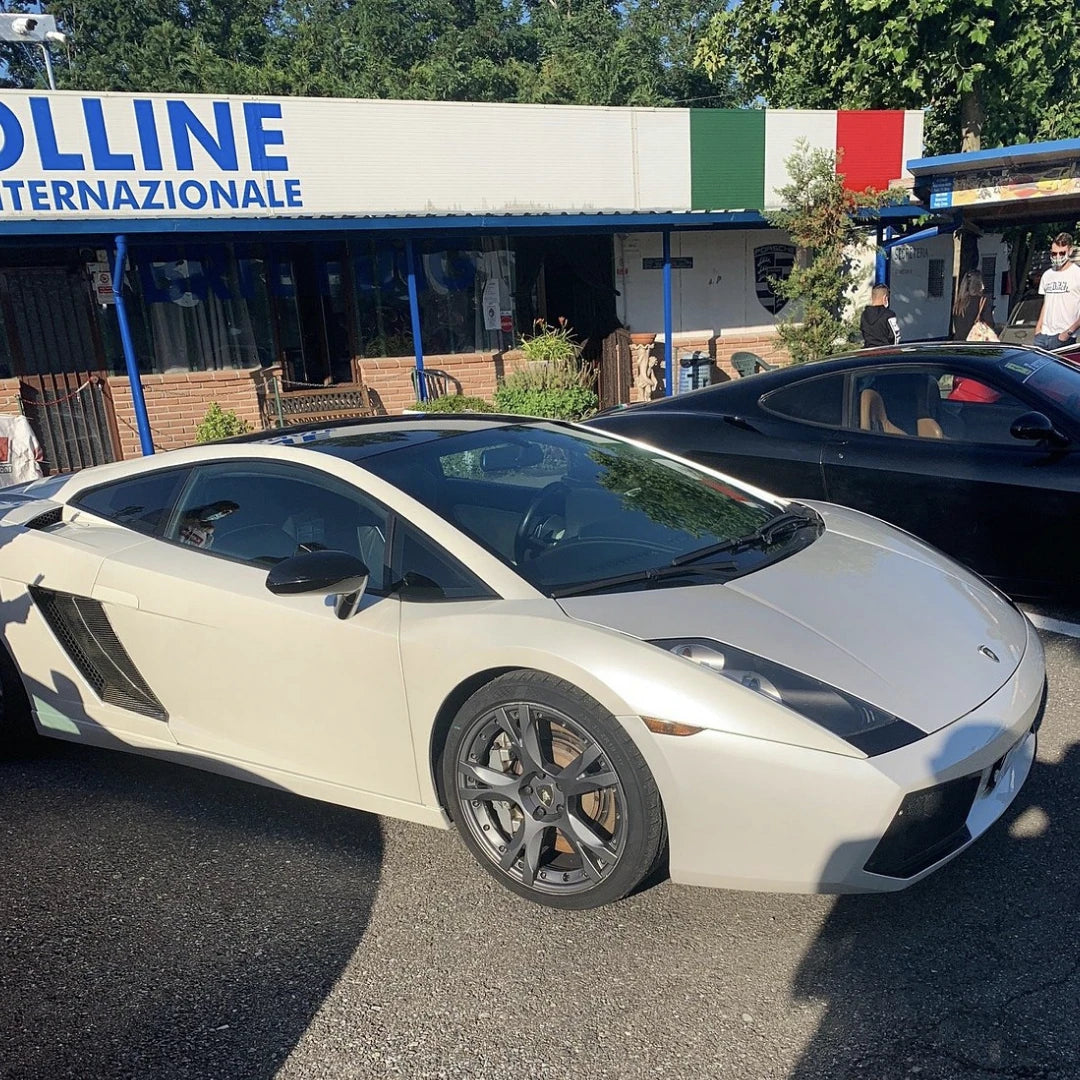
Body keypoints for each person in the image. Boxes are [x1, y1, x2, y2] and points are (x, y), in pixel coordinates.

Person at [1033, 232, 1080, 350]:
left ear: (1069, 251)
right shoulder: (1047, 275)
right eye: (1054, 253)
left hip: (1064, 337)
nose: (1058, 256)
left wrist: (1068, 332)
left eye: (1062, 253)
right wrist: (1038, 329)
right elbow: (1046, 303)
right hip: (1042, 336)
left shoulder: (1077, 274)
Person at [951, 269, 995, 341]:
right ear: (978, 284)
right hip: (974, 345)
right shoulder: (983, 301)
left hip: (958, 344)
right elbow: (990, 325)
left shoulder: (959, 303)